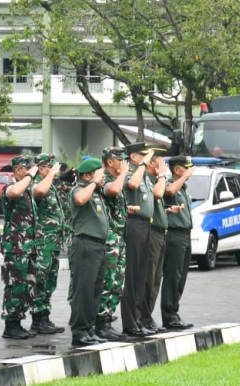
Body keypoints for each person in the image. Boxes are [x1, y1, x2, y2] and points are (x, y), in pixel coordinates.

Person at [67, 157, 109, 347]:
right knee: (83, 290)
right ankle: (79, 332)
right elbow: (80, 199)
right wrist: (93, 182)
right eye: (98, 173)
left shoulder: (96, 192)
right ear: (87, 175)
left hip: (98, 246)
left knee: (94, 291)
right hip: (85, 244)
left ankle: (89, 329)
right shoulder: (79, 189)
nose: (102, 177)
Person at [0, 155, 39, 339]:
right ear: (17, 170)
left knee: (26, 285)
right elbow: (13, 193)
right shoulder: (10, 187)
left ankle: (18, 321)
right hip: (15, 247)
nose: (30, 170)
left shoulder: (28, 190)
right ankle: (10, 325)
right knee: (14, 285)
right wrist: (30, 177)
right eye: (27, 168)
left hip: (28, 247)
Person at [120, 143, 157, 337]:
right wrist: (143, 165)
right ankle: (129, 322)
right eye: (144, 156)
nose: (148, 159)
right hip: (134, 224)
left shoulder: (142, 172)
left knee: (142, 275)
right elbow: (132, 185)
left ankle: (137, 319)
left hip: (146, 224)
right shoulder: (131, 172)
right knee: (133, 275)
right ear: (134, 157)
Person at [96, 146, 130, 341]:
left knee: (117, 282)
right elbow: (114, 190)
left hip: (118, 238)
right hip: (109, 241)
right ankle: (101, 323)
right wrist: (124, 174)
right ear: (110, 161)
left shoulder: (115, 179)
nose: (124, 164)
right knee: (108, 281)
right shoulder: (106, 180)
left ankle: (107, 319)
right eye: (120, 160)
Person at [30, 153, 66, 335]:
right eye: (51, 167)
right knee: (40, 280)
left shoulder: (51, 185)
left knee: (50, 280)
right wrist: (50, 174)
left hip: (53, 243)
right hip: (43, 243)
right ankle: (37, 319)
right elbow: (39, 192)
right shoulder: (37, 182)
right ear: (42, 168)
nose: (56, 172)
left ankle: (44, 317)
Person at [161, 156, 196, 330]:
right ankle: (169, 316)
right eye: (186, 168)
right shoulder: (170, 182)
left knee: (180, 278)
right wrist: (184, 177)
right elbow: (169, 192)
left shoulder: (183, 187)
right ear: (177, 170)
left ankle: (174, 312)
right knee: (172, 277)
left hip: (185, 234)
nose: (190, 171)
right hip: (174, 235)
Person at [140, 147, 170, 334]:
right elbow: (158, 194)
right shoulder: (149, 179)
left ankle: (147, 317)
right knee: (148, 279)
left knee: (156, 278)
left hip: (161, 232)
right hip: (151, 233)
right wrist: (163, 176)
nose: (164, 165)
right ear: (151, 163)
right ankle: (143, 317)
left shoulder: (156, 179)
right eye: (161, 161)